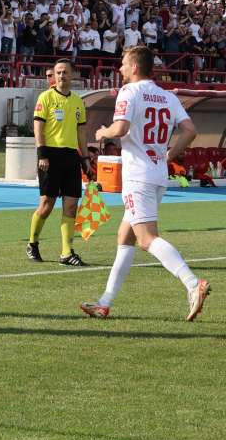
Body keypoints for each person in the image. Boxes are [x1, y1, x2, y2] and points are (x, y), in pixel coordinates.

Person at [81, 47, 210, 321]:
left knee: (147, 238)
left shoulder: (130, 92)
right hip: (157, 173)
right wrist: (170, 154)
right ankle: (104, 302)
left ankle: (192, 284)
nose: (120, 69)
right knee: (124, 236)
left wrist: (103, 132)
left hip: (138, 175)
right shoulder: (167, 96)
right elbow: (190, 130)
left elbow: (121, 129)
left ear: (135, 67)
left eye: (124, 64)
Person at [26, 58, 90, 266]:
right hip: (50, 157)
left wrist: (86, 158)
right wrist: (42, 154)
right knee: (46, 205)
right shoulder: (45, 97)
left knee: (71, 206)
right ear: (54, 75)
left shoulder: (78, 101)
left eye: (65, 72)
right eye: (59, 72)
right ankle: (32, 243)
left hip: (71, 157)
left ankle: (66, 253)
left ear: (73, 75)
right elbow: (38, 128)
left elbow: (81, 132)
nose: (62, 76)